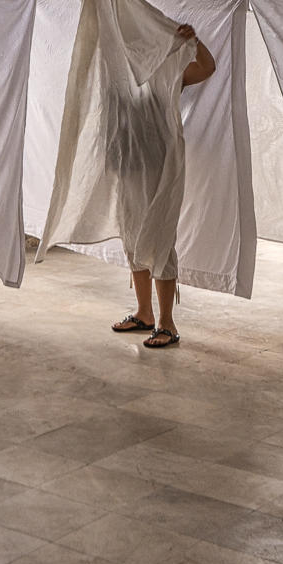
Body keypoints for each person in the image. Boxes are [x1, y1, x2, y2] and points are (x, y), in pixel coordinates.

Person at [110, 21, 214, 349]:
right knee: (133, 240)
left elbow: (207, 68)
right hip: (127, 169)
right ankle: (144, 314)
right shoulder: (118, 76)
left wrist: (193, 41)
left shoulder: (167, 75)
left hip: (160, 168)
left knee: (159, 238)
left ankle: (167, 323)